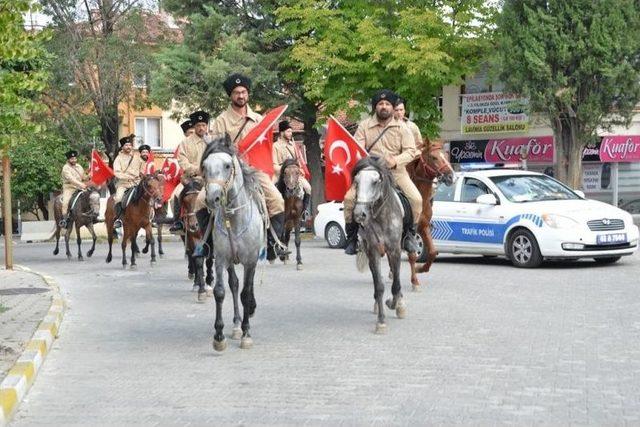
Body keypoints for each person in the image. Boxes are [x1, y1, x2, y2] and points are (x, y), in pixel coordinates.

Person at [210, 73, 289, 259]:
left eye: (244, 92)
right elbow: (215, 149)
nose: (241, 96)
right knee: (200, 200)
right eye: (237, 92)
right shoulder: (221, 120)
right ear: (231, 95)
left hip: (254, 170)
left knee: (277, 201)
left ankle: (273, 243)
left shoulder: (259, 119)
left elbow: (265, 146)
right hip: (229, 172)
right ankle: (206, 246)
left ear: (248, 94)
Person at [343, 89, 422, 255]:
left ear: (393, 108)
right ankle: (351, 238)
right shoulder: (364, 126)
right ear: (375, 107)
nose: (384, 107)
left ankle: (409, 235)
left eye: (387, 104)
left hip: (396, 172)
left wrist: (395, 161)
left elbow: (410, 151)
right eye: (380, 104)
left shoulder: (403, 128)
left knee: (416, 199)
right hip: (370, 172)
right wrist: (369, 161)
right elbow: (357, 149)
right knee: (349, 198)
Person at [169, 110, 210, 233]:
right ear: (194, 126)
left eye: (203, 125)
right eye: (198, 126)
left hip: (210, 178)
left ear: (206, 126)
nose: (201, 128)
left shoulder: (211, 141)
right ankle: (178, 222)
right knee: (174, 195)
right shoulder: (185, 143)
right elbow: (182, 161)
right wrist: (198, 170)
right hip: (191, 179)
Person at [272, 120, 311, 217]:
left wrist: (300, 169)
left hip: (294, 173)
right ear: (282, 132)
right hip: (281, 174)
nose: (290, 134)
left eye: (291, 131)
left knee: (308, 188)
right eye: (288, 131)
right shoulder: (275, 146)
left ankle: (304, 211)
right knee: (271, 188)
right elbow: (274, 165)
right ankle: (272, 212)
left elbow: (298, 161)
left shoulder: (293, 145)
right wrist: (285, 170)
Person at [112, 135, 143, 229]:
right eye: (126, 145)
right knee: (118, 198)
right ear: (122, 147)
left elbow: (142, 169)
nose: (128, 147)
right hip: (123, 184)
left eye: (130, 145)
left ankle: (150, 217)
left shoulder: (137, 156)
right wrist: (128, 177)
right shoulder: (118, 159)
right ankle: (118, 219)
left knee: (148, 194)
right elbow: (117, 173)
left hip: (137, 183)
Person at [59, 150, 89, 227]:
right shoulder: (65, 168)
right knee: (65, 202)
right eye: (72, 159)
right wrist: (81, 184)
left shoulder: (79, 166)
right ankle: (64, 220)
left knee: (91, 197)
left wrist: (89, 175)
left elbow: (84, 177)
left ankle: (92, 216)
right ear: (68, 160)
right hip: (69, 188)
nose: (74, 160)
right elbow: (71, 179)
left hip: (80, 188)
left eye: (75, 158)